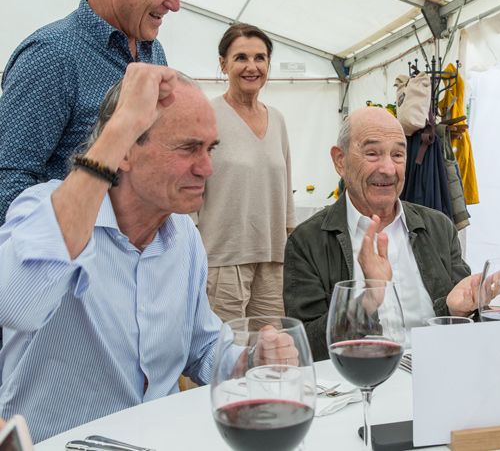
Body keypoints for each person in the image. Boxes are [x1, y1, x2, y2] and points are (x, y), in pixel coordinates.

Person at [0, 65, 295, 443]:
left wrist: (251, 361)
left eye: (210, 149)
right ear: (124, 151)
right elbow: (16, 305)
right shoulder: (45, 211)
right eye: (189, 148)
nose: (206, 168)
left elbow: (200, 345)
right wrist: (119, 128)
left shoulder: (184, 236)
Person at [0, 0, 185, 223]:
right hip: (77, 260)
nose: (175, 4)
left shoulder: (152, 50)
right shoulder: (51, 56)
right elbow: (10, 186)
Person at [284, 106, 497, 361]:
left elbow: (466, 327)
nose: (388, 169)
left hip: (440, 371)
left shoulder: (438, 228)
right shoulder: (308, 241)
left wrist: (459, 310)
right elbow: (304, 347)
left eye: (398, 155)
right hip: (361, 380)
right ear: (340, 160)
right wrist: (367, 302)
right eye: (372, 153)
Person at [193, 23, 296, 323]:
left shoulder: (277, 120)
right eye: (240, 58)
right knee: (223, 358)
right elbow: (189, 186)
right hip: (221, 261)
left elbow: (286, 190)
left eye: (260, 58)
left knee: (270, 354)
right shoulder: (205, 116)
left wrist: (291, 248)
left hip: (273, 259)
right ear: (223, 64)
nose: (252, 67)